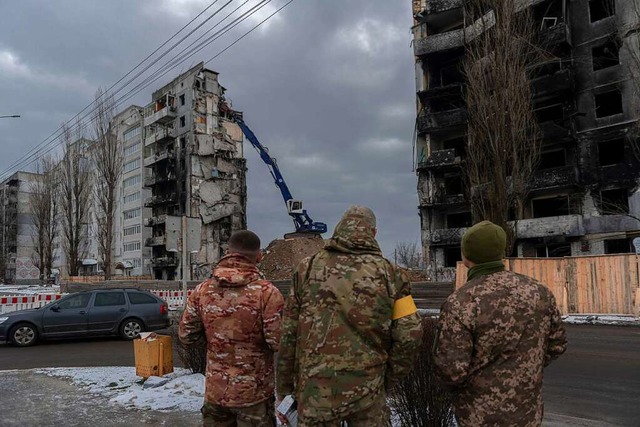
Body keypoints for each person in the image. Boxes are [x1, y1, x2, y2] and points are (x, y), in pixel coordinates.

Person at [277, 205, 423, 427]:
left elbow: (289, 332)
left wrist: (285, 388)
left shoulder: (307, 269)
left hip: (315, 391)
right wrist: (388, 379)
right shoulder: (392, 274)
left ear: (337, 231)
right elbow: (410, 333)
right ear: (373, 233)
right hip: (368, 390)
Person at [434, 220, 567, 427]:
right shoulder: (538, 292)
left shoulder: (462, 301)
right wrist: (525, 369)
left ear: (466, 256)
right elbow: (557, 344)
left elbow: (451, 370)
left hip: (479, 416)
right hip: (528, 413)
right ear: (500, 253)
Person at [179, 230, 284, 427]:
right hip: (255, 395)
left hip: (216, 392)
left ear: (227, 252)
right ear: (259, 256)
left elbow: (186, 335)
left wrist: (215, 342)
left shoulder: (202, 290)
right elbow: (277, 341)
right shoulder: (268, 293)